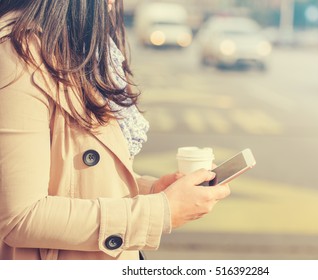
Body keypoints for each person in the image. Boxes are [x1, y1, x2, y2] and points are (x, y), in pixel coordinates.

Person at [0, 0, 230, 260]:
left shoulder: (82, 44)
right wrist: (160, 212)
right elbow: (20, 217)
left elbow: (78, 176)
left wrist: (151, 190)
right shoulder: (16, 52)